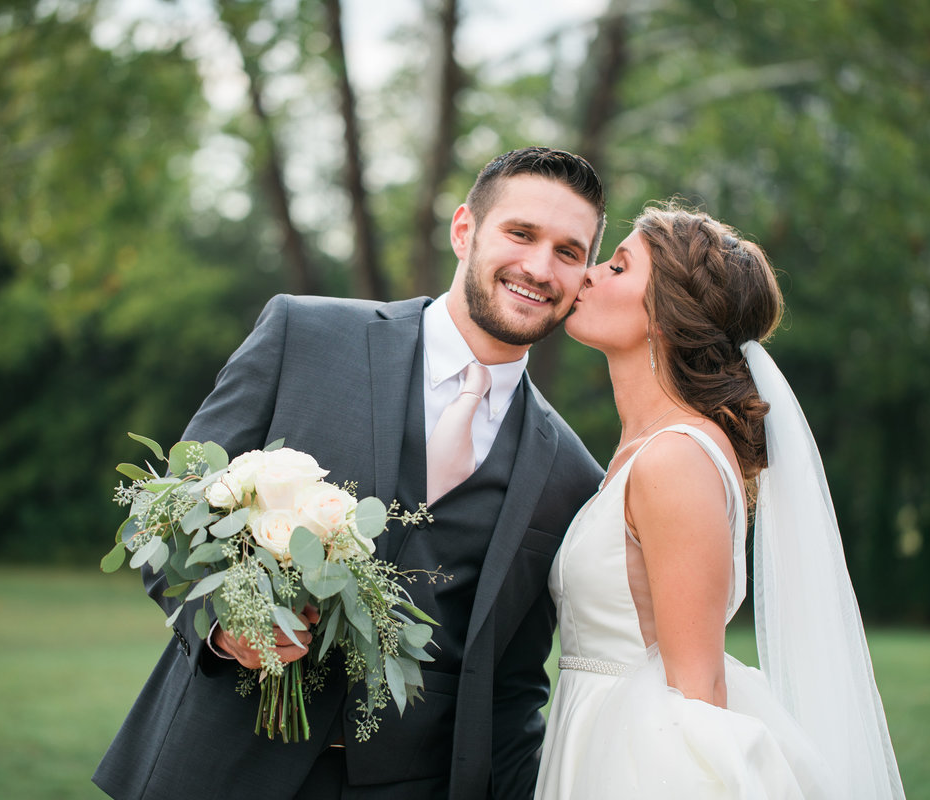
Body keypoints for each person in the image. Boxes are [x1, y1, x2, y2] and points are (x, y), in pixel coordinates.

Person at [93, 147, 606, 800]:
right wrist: (222, 626)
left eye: (569, 250)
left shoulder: (570, 473)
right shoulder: (303, 335)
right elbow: (164, 515)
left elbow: (512, 688)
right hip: (216, 770)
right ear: (464, 231)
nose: (539, 266)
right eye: (522, 233)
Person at [534, 202, 906, 798]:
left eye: (619, 266)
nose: (591, 273)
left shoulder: (675, 459)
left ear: (664, 315)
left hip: (637, 764)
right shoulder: (644, 450)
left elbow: (696, 689)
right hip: (591, 738)